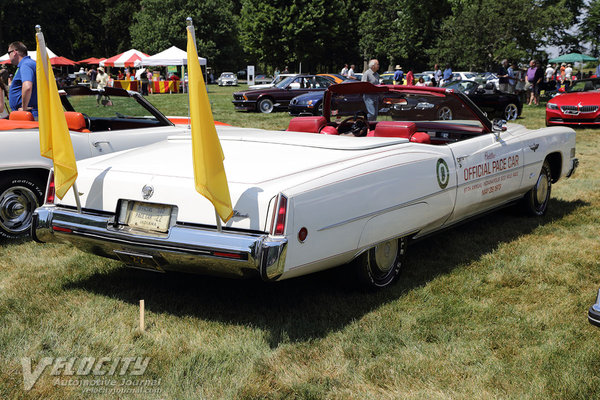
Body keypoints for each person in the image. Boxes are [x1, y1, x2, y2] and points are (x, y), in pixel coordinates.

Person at [7, 41, 38, 118]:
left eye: (9, 53)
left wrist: (24, 108)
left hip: (30, 115)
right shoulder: (29, 63)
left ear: (14, 52)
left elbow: (27, 87)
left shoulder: (25, 64)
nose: (9, 56)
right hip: (32, 113)